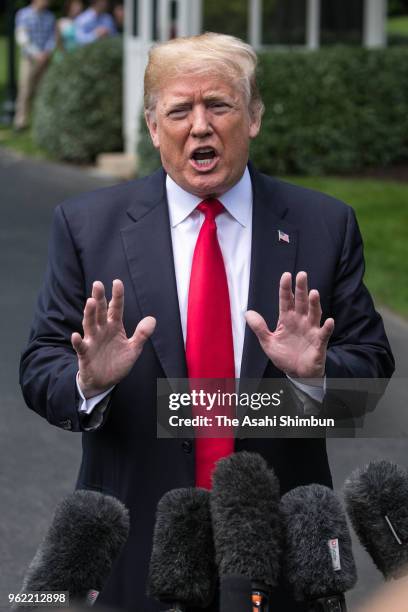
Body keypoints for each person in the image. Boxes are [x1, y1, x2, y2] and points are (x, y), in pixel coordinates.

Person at [19, 33, 395, 611]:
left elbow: (369, 374)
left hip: (280, 546)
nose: (199, 126)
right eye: (179, 110)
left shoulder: (323, 225)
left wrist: (316, 378)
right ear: (152, 127)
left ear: (254, 118)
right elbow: (40, 367)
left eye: (218, 105)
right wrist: (87, 382)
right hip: (135, 545)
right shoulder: (86, 227)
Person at [13, 0, 55, 130]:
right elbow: (22, 37)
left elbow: (52, 37)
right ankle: (21, 122)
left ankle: (40, 122)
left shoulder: (50, 16)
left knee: (42, 91)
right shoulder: (23, 14)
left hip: (45, 58)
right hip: (29, 59)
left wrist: (47, 52)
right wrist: (36, 53)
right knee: (25, 90)